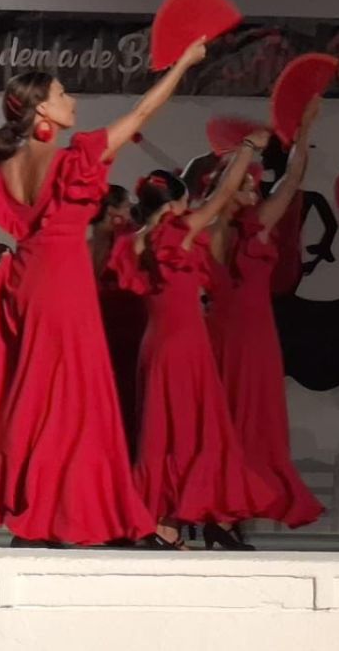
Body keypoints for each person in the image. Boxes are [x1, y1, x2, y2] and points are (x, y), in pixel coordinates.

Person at [0, 39, 207, 547]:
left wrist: (0, 253)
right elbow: (145, 108)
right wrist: (184, 64)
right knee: (76, 401)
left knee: (41, 397)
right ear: (41, 107)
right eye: (62, 93)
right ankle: (63, 513)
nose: (72, 100)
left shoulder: (0, 165)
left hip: (30, 282)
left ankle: (40, 511)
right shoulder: (76, 158)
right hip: (64, 286)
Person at [110, 148, 281, 550]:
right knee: (192, 432)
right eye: (185, 199)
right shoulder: (180, 231)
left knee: (162, 433)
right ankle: (171, 524)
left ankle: (162, 522)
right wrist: (247, 151)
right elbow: (221, 196)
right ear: (174, 203)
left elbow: (212, 195)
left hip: (156, 345)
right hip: (186, 346)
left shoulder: (135, 242)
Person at [203, 99, 326, 532]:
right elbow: (221, 203)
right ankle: (217, 511)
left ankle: (235, 515)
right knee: (228, 422)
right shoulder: (215, 231)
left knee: (259, 424)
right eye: (248, 186)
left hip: (260, 336)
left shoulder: (259, 223)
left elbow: (293, 179)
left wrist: (305, 128)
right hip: (227, 335)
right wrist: (244, 154)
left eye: (256, 186)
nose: (256, 192)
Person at [91, 185, 147, 452]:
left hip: (102, 330)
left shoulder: (85, 247)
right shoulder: (129, 242)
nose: (130, 211)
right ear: (112, 211)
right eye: (126, 206)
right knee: (131, 394)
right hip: (128, 326)